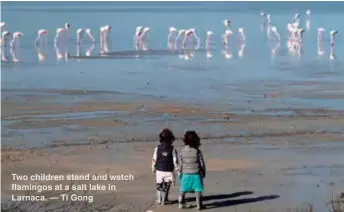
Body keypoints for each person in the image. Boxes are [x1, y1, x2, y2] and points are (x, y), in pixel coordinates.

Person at [178, 130, 206, 210]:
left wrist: (179, 172)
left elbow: (181, 163)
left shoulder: (182, 151)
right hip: (196, 173)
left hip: (185, 174)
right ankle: (199, 204)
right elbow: (202, 163)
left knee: (182, 189)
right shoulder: (197, 151)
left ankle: (181, 203)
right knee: (198, 190)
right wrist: (203, 172)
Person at [151, 128, 179, 205]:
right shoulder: (173, 149)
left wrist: (153, 167)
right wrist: (177, 169)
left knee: (159, 186)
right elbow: (175, 161)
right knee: (167, 186)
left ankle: (159, 199)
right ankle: (165, 199)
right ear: (171, 139)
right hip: (169, 170)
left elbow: (154, 159)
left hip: (159, 170)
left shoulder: (157, 148)